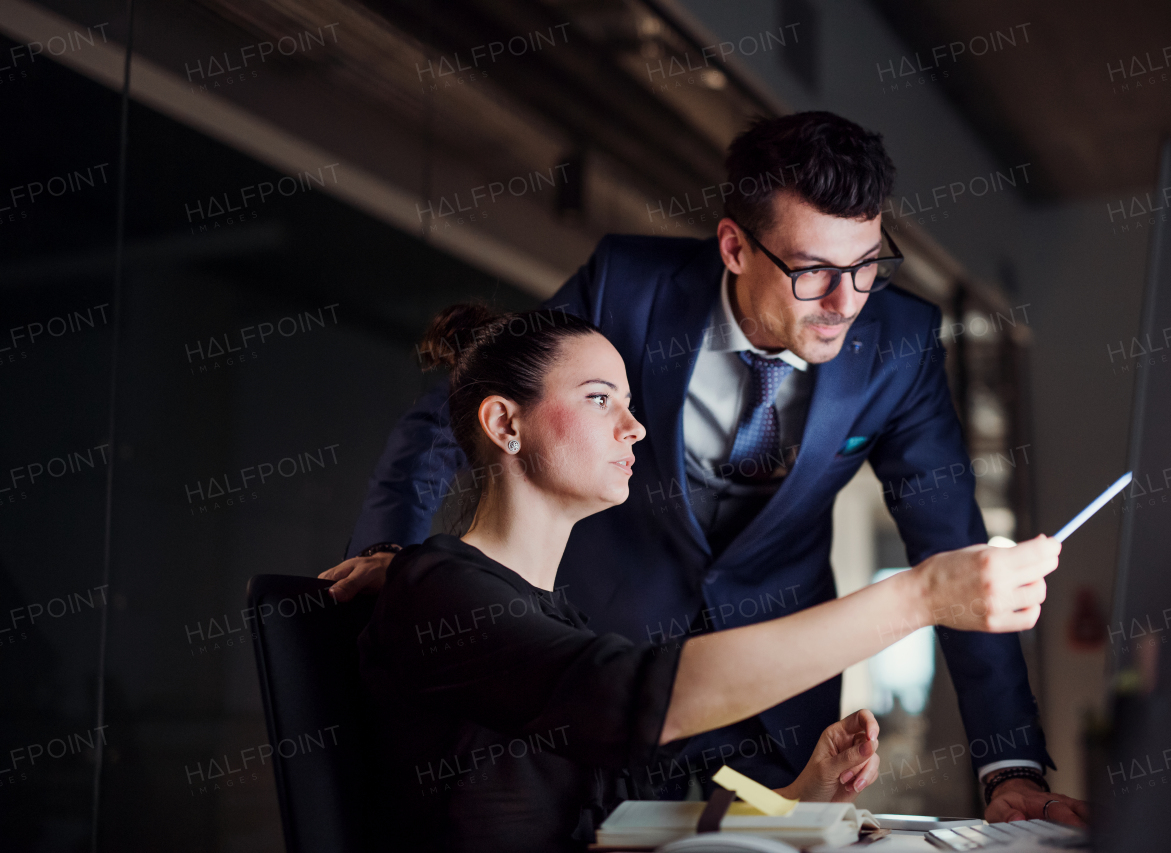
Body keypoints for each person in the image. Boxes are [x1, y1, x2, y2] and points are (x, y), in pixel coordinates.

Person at [329, 111, 1088, 825]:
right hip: (606, 660)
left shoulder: (900, 339)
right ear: (733, 247)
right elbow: (468, 399)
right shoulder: (630, 286)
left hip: (780, 688)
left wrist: (1008, 764)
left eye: (866, 266)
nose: (845, 300)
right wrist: (395, 559)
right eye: (812, 270)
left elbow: (953, 543)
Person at [358, 303, 1062, 852]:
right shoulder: (436, 588)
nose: (635, 427)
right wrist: (922, 594)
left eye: (630, 401)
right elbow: (642, 694)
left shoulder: (553, 618)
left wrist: (803, 794)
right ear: (505, 423)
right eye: (602, 398)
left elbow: (626, 822)